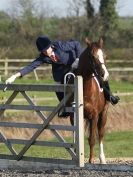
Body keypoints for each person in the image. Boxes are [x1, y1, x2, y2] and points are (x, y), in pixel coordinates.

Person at [5, 36, 119, 117]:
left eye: (47, 50)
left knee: (98, 74)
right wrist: (15, 76)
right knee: (58, 85)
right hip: (62, 72)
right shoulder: (43, 57)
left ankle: (110, 96)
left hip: (76, 63)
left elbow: (76, 44)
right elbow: (31, 66)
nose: (46, 53)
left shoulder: (59, 46)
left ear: (51, 46)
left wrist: (78, 59)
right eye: (43, 52)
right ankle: (65, 108)